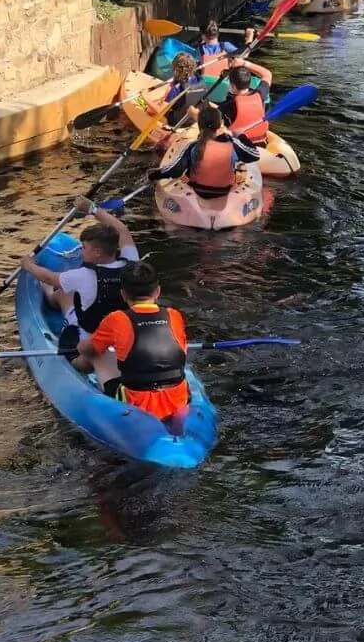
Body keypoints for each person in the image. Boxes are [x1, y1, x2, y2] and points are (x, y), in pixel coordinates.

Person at [18, 196, 137, 358]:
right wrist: (92, 209)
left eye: (84, 247)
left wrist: (28, 265)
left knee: (63, 293)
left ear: (97, 252)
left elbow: (50, 278)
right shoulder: (131, 262)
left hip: (88, 340)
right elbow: (122, 230)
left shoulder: (84, 275)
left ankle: (50, 296)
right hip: (123, 333)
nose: (82, 251)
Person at [76, 261, 191, 423]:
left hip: (136, 403)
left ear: (123, 294)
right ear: (157, 291)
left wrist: (80, 347)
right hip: (177, 399)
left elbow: (89, 350)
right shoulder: (174, 315)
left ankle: (73, 369)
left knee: (96, 355)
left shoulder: (116, 318)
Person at [150, 103, 261, 198]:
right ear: (220, 124)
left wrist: (153, 175)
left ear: (199, 125)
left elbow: (174, 170)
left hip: (198, 190)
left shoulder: (193, 146)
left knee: (188, 171)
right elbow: (255, 155)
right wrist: (242, 135)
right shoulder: (232, 143)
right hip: (224, 190)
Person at [219, 66, 272, 144]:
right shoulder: (260, 95)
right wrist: (244, 63)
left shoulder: (226, 107)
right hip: (260, 142)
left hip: (239, 146)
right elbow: (267, 74)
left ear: (233, 86)